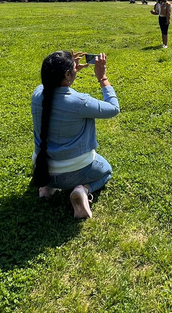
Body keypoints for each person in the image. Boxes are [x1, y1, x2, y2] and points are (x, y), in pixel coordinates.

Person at [31, 50, 120, 219]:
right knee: (106, 170)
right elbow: (114, 109)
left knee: (51, 175)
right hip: (74, 172)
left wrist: (68, 75)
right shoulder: (81, 102)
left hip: (42, 168)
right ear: (66, 74)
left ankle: (47, 188)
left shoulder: (37, 95)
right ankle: (82, 190)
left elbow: (52, 88)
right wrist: (103, 78)